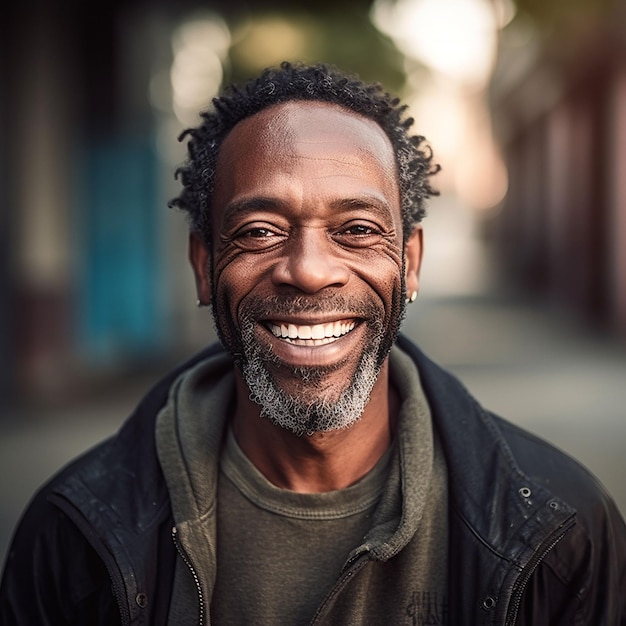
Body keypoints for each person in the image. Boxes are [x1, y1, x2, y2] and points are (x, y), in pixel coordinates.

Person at [0, 61, 624, 626]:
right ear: (203, 263)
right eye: (260, 231)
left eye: (355, 230)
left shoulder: (562, 534)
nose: (308, 269)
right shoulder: (75, 534)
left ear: (408, 263)